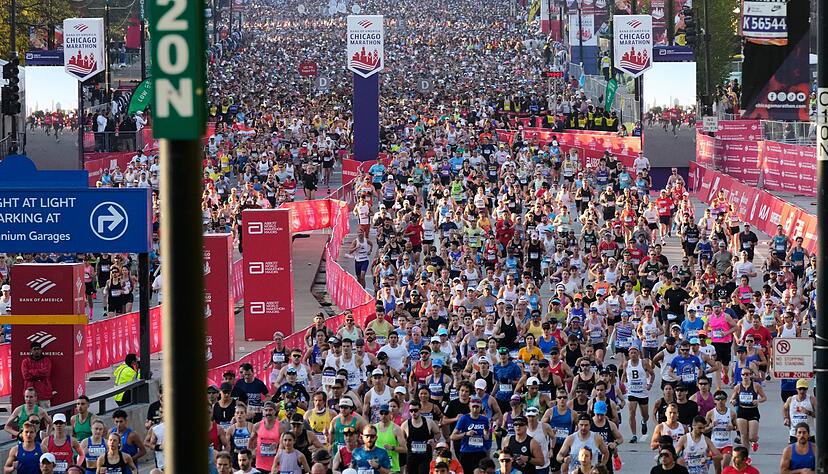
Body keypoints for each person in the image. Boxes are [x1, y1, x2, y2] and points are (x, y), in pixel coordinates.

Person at [450, 396, 491, 474]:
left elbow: (487, 433)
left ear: (481, 407)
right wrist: (466, 433)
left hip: (480, 452)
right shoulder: (464, 419)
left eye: (477, 407)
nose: (475, 409)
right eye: (473, 407)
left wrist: (486, 436)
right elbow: (452, 436)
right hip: (466, 453)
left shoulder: (484, 420)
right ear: (469, 406)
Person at [729, 367, 766, 452]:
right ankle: (746, 456)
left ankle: (754, 441)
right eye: (743, 374)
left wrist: (758, 400)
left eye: (747, 374)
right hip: (742, 411)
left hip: (753, 411)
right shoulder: (738, 387)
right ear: (741, 376)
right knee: (743, 435)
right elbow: (732, 399)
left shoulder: (756, 386)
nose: (745, 376)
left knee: (752, 437)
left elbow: (764, 397)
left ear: (750, 375)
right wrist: (733, 401)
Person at [401, 401, 441, 474]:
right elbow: (401, 439)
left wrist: (434, 439)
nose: (413, 413)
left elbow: (438, 433)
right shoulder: (405, 424)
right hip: (411, 457)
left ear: (420, 410)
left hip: (425, 456)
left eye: (415, 410)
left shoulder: (429, 422)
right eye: (411, 411)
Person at [249, 402, 281, 473]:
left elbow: (284, 444)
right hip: (260, 464)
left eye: (270, 410)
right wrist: (251, 452)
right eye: (266, 410)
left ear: (275, 411)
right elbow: (251, 441)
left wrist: (278, 448)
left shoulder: (281, 427)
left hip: (275, 465)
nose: (268, 413)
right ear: (263, 411)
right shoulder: (257, 426)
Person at [783, 379, 816, 443]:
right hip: (794, 434)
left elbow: (819, 414)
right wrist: (786, 418)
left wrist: (808, 412)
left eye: (804, 389)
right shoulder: (790, 399)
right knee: (793, 452)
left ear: (807, 389)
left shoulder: (812, 400)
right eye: (800, 389)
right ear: (796, 389)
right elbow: (785, 408)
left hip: (809, 434)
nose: (802, 391)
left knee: (810, 452)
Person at [21, 341, 53, 408]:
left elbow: (46, 373)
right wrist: (40, 372)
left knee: (46, 415)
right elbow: (26, 375)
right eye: (34, 349)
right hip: (30, 393)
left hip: (44, 393)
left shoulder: (46, 360)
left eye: (38, 349)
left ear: (41, 350)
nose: (36, 351)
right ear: (31, 350)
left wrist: (31, 372)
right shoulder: (25, 362)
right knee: (31, 415)